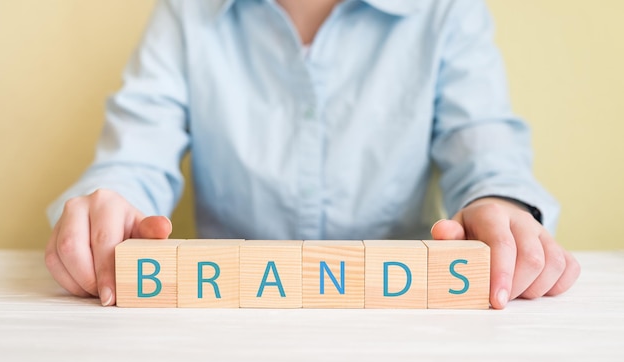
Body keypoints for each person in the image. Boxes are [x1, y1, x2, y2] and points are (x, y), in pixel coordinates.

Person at [45, 0, 580, 309]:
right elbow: (137, 152)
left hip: (402, 324)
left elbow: (485, 148)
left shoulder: (445, 11)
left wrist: (502, 203)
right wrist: (109, 206)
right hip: (226, 328)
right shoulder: (187, 12)